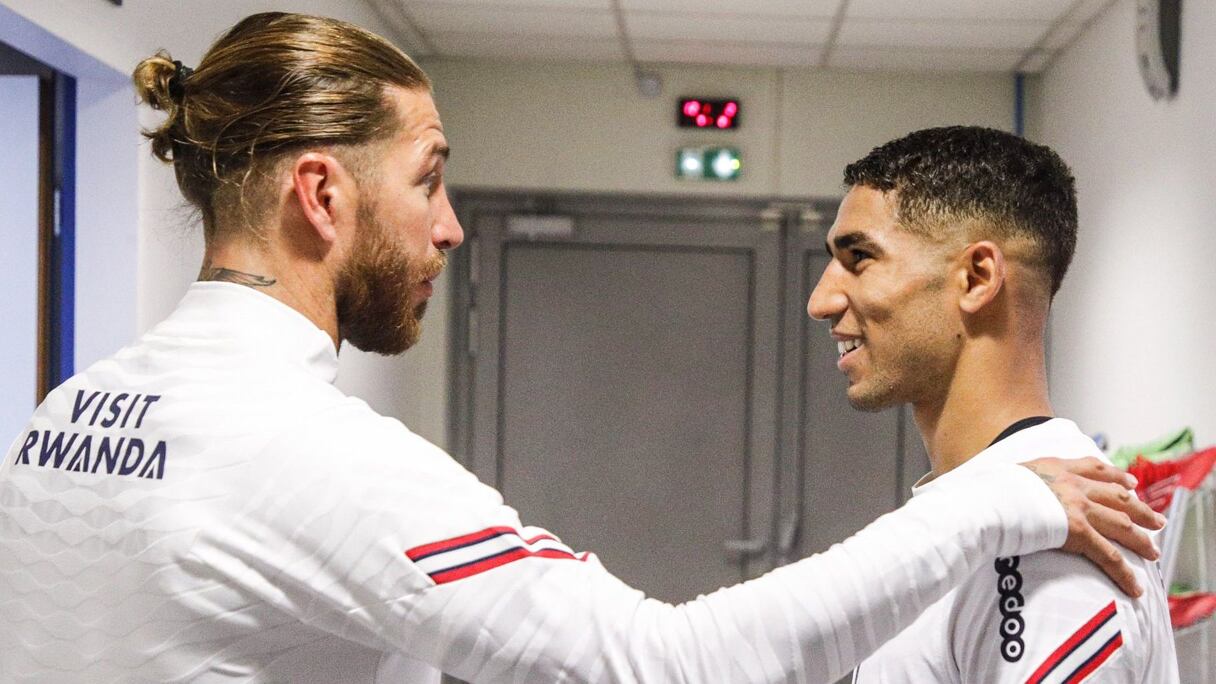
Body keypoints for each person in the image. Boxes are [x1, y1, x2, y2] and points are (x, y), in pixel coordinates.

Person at [0, 13, 1163, 684]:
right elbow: (663, 668)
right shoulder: (310, 456)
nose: (451, 226)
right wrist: (993, 503)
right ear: (320, 193)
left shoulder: (63, 416)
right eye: (431, 180)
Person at [807, 126, 1178, 683]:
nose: (821, 300)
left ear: (977, 278)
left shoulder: (1053, 545)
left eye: (859, 257)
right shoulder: (992, 513)